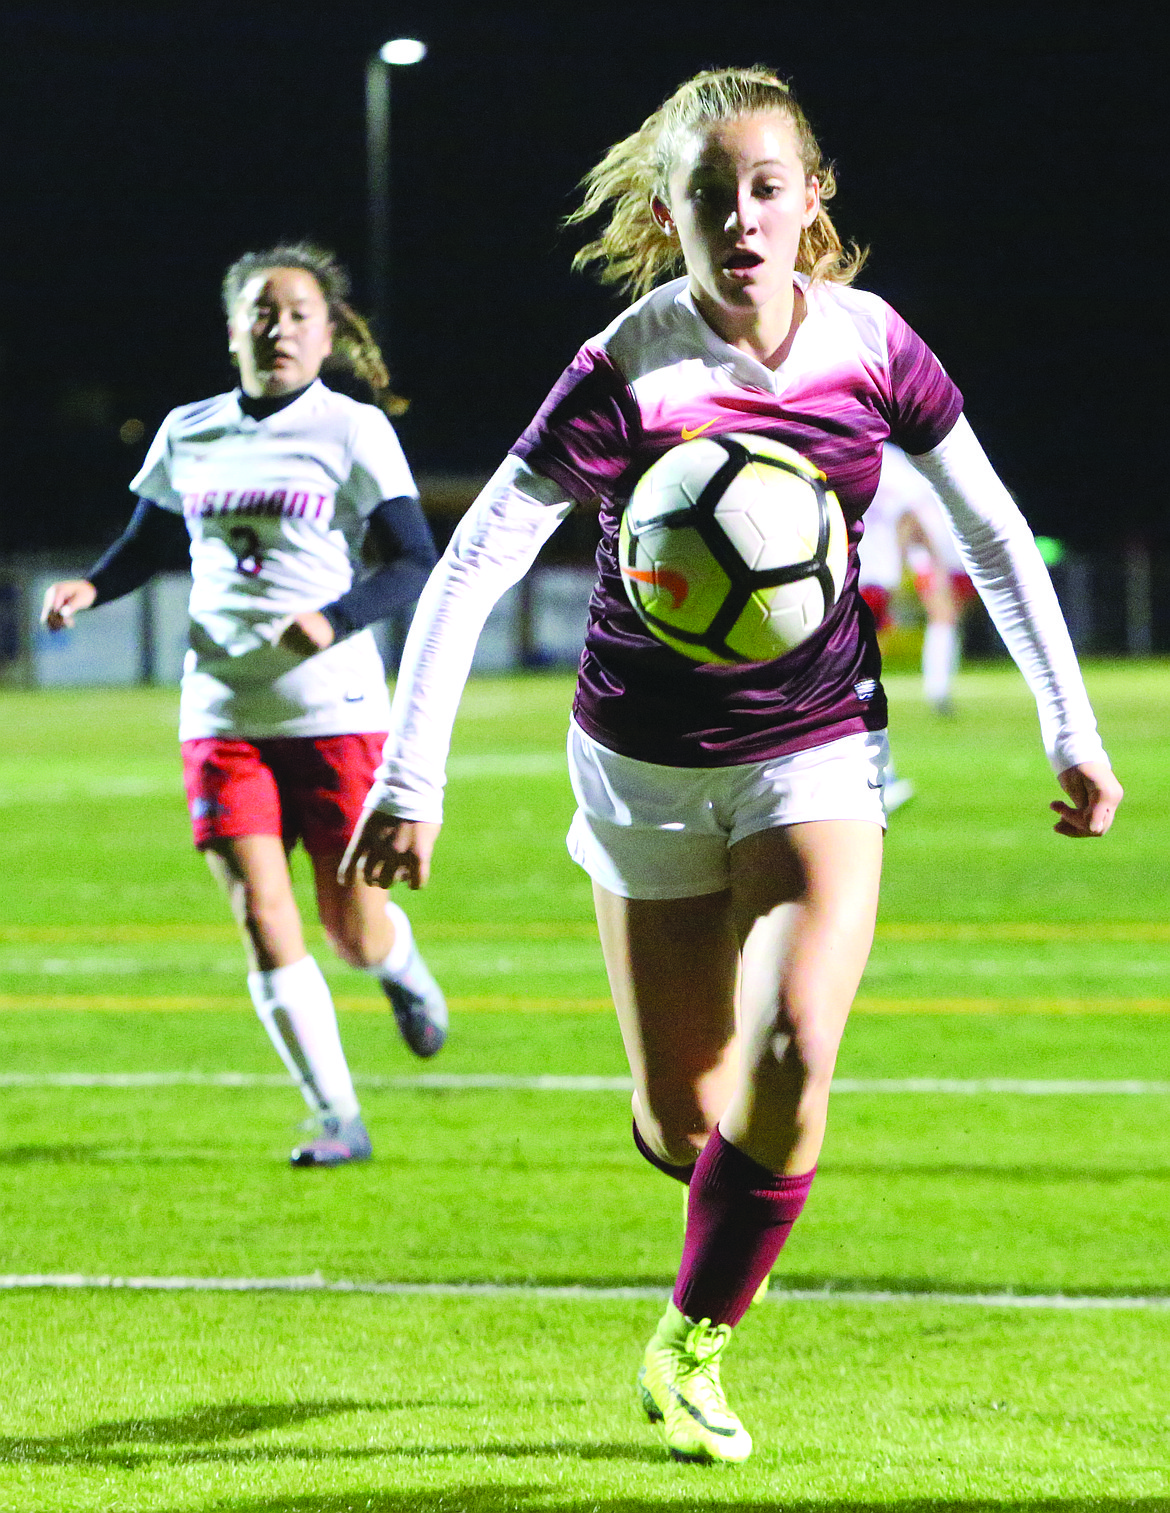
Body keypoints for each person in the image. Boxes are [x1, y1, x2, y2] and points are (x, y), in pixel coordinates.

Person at [340, 69, 1123, 1462]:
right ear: (668, 213)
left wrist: (1070, 726)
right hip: (638, 765)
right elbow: (475, 559)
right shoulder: (631, 362)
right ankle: (726, 1198)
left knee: (792, 1046)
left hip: (814, 749)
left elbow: (994, 533)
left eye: (768, 188)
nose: (744, 218)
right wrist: (411, 775)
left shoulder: (872, 345)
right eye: (712, 196)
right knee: (683, 1116)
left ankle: (689, 1345)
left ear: (812, 199)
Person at [42, 243, 449, 1169]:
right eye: (263, 312)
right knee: (265, 917)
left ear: (329, 332)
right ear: (233, 329)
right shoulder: (189, 430)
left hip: (334, 709)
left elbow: (412, 561)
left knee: (351, 928)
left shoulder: (351, 430)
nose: (281, 328)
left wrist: (337, 618)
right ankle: (338, 1116)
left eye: (301, 312)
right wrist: (90, 589)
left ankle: (398, 965)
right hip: (221, 712)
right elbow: (147, 543)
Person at [862, 441, 977, 714]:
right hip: (895, 560)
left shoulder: (887, 458)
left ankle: (936, 689)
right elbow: (910, 518)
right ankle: (936, 689)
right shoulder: (887, 458)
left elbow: (910, 515)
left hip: (899, 558)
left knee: (944, 616)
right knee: (942, 615)